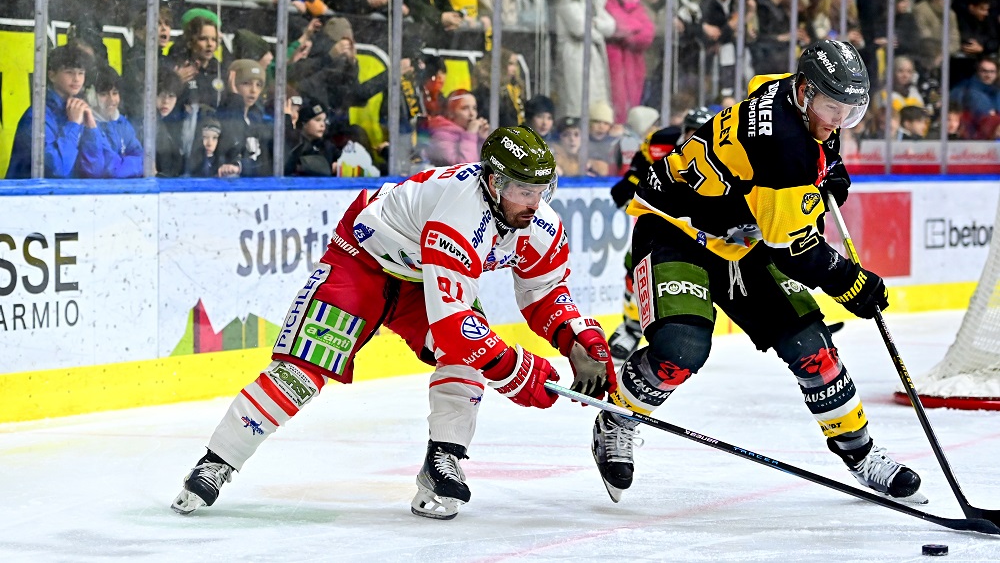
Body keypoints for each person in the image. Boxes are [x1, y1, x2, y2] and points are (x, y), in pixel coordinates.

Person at [172, 126, 617, 520]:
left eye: (542, 190)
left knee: (466, 353)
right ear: (495, 181)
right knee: (300, 374)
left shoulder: (536, 222)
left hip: (422, 278)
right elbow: (454, 323)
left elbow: (545, 292)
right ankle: (216, 461)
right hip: (362, 263)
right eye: (523, 190)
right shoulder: (461, 211)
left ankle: (443, 458)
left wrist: (578, 338)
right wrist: (518, 371)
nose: (534, 203)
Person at [591, 40, 927, 508]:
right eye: (832, 107)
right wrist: (852, 282)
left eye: (850, 112)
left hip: (740, 237)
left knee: (812, 348)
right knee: (680, 349)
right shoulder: (785, 147)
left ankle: (862, 455)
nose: (837, 121)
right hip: (674, 228)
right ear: (806, 92)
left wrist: (829, 167)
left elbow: (772, 102)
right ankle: (618, 419)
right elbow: (794, 252)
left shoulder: (787, 92)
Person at [605, 106, 706, 360]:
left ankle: (677, 332)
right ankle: (631, 329)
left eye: (702, 133)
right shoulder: (661, 142)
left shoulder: (725, 151)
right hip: (658, 220)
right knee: (635, 267)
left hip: (702, 227)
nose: (696, 138)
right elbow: (639, 167)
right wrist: (629, 183)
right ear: (683, 132)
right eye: (692, 132)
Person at [7, 45, 96, 179]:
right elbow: (57, 169)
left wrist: (92, 129)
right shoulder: (37, 116)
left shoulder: (79, 110)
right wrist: (73, 125)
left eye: (81, 73)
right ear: (52, 75)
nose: (76, 79)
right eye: (69, 72)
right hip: (29, 196)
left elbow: (97, 168)